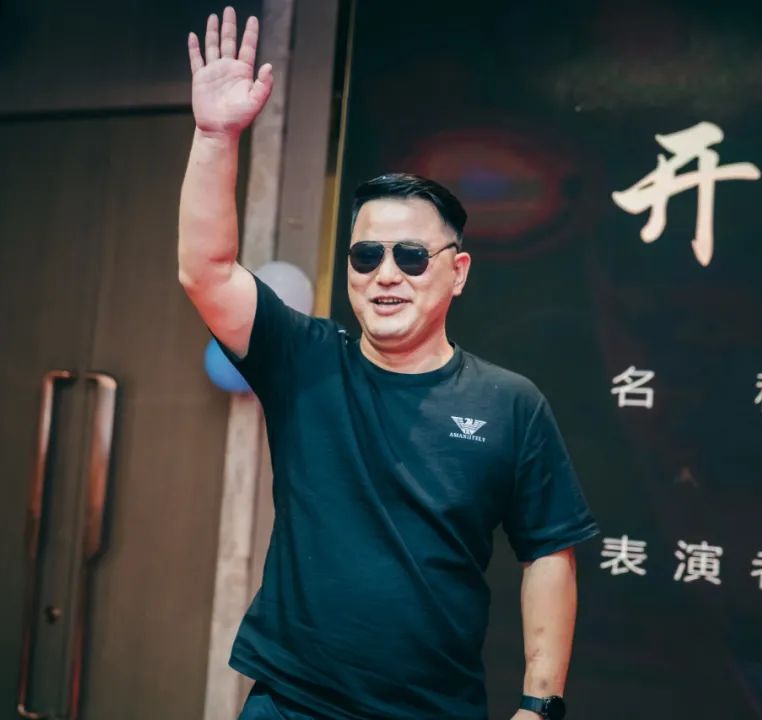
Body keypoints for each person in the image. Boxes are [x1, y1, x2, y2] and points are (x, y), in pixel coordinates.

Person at [179, 8, 598, 720]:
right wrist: (216, 137)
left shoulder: (509, 403)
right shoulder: (305, 361)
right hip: (292, 703)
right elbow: (206, 270)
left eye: (411, 256)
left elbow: (549, 553)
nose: (386, 274)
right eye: (366, 255)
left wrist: (540, 704)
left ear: (458, 272)